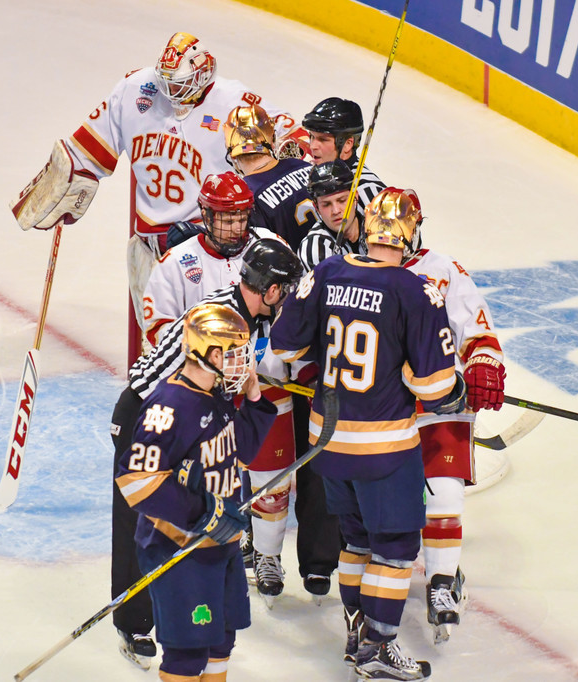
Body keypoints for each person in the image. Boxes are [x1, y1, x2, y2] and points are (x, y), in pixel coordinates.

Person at [269, 188, 470, 681]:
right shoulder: (416, 289)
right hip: (383, 447)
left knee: (356, 540)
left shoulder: (326, 272)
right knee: (395, 548)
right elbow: (434, 387)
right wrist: (456, 388)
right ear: (409, 233)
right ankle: (378, 646)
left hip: (326, 441)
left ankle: (357, 635)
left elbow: (285, 346)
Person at [9, 31, 295, 365]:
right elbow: (86, 149)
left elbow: (289, 131)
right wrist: (65, 179)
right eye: (167, 82)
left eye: (181, 84)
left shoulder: (232, 98)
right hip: (147, 249)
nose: (171, 92)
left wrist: (290, 146)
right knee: (160, 355)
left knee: (213, 355)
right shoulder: (136, 88)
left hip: (206, 248)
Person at [112, 238, 304, 652]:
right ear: (271, 290)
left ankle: (187, 615)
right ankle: (135, 621)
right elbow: (168, 386)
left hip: (189, 419)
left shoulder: (251, 317)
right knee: (143, 514)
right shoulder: (219, 319)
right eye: (285, 290)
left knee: (186, 520)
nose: (287, 299)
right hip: (148, 414)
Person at [115, 302, 277, 682]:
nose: (244, 363)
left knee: (221, 643)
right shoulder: (169, 406)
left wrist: (254, 402)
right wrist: (203, 512)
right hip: (179, 550)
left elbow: (241, 452)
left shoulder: (216, 393)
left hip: (220, 544)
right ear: (212, 355)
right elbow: (136, 481)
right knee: (187, 656)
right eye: (235, 353)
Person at [222, 103, 341, 605]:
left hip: (279, 327)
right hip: (322, 328)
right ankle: (319, 563)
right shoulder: (299, 168)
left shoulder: (247, 198)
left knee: (264, 453)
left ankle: (258, 544)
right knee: (318, 460)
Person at [392, 191, 507, 643]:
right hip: (383, 410)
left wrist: (483, 362)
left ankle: (442, 581)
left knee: (444, 494)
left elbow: (477, 330)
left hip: (441, 403)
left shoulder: (443, 270)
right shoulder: (358, 271)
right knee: (382, 508)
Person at [141, 171, 282, 347]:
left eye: (242, 219)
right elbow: (157, 327)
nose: (238, 229)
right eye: (229, 222)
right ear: (207, 217)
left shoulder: (270, 244)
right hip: (204, 361)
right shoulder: (175, 262)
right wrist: (203, 346)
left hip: (268, 358)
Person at [222, 103, 317, 251]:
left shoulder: (245, 196)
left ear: (231, 150)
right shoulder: (303, 165)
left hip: (296, 264)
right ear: (272, 140)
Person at [300, 97, 386, 227]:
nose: (312, 146)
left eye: (323, 139)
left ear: (347, 144)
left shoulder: (371, 195)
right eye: (311, 137)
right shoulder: (320, 174)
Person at [297, 159, 367, 269]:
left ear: (355, 197)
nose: (335, 211)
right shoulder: (314, 249)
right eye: (326, 204)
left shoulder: (378, 224)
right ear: (316, 207)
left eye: (342, 200)